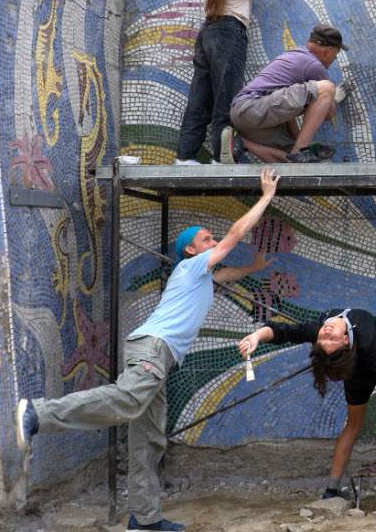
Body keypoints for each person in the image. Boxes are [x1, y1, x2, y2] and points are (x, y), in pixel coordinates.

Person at [16, 169, 281, 532]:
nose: (214, 241)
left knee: (149, 437)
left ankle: (144, 518)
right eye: (207, 239)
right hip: (153, 348)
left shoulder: (200, 276)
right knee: (127, 399)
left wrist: (253, 267)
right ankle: (38, 414)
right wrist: (265, 197)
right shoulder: (190, 267)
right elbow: (234, 237)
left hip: (160, 354)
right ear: (191, 249)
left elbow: (226, 274)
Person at [236, 309, 376, 521]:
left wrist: (256, 336)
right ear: (344, 341)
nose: (325, 331)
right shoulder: (363, 332)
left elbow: (283, 332)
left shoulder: (324, 326)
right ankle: (352, 491)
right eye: (327, 336)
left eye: (325, 337)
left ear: (345, 339)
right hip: (371, 371)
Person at [176, 0, 290, 165]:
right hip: (229, 33)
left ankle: (185, 157)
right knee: (226, 99)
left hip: (208, 33)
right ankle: (220, 158)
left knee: (199, 99)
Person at [226, 25, 348, 164]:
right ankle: (300, 150)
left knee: (295, 161)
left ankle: (242, 142)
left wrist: (297, 145)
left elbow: (286, 111)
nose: (334, 59)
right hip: (252, 107)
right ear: (328, 50)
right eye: (335, 55)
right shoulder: (314, 65)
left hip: (247, 118)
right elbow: (328, 114)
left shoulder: (296, 55)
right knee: (327, 88)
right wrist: (334, 98)